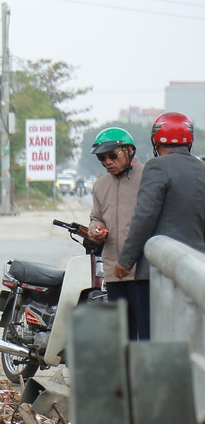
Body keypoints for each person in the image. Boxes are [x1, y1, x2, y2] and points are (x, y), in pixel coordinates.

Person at [116, 112, 205, 336]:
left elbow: (145, 215)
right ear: (189, 141)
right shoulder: (202, 170)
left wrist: (126, 260)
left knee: (152, 340)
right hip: (196, 271)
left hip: (156, 273)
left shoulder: (157, 166)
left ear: (156, 141)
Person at [87, 127, 146, 339]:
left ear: (129, 150)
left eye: (113, 155)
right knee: (122, 336)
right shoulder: (100, 186)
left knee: (146, 335)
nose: (107, 162)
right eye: (102, 158)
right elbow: (96, 217)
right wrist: (96, 230)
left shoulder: (149, 178)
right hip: (114, 272)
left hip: (142, 272)